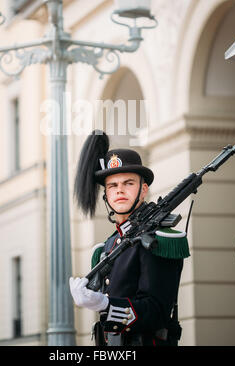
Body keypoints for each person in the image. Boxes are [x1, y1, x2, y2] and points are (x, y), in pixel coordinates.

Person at [69, 130, 190, 346]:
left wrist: (106, 304)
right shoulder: (107, 245)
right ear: (106, 194)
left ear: (143, 190)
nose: (120, 191)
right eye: (112, 186)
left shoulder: (159, 240)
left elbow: (156, 312)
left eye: (128, 183)